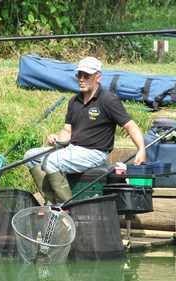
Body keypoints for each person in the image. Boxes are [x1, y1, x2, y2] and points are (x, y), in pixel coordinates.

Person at [24, 56, 146, 203]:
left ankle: (68, 208)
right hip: (72, 149)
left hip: (95, 153)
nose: (81, 79)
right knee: (30, 156)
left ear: (98, 77)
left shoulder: (108, 100)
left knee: (51, 161)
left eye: (86, 76)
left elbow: (130, 126)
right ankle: (51, 201)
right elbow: (67, 131)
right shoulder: (74, 101)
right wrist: (56, 137)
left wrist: (141, 149)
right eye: (79, 75)